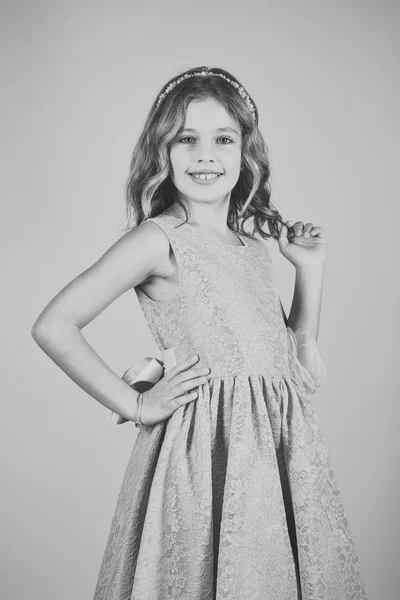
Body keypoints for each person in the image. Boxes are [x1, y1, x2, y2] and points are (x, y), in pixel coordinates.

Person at [31, 66, 369, 600]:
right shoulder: (158, 239)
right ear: (162, 152)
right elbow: (54, 325)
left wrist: (310, 270)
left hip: (274, 456)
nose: (205, 155)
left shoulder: (252, 248)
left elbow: (294, 370)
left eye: (222, 139)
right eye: (187, 139)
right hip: (203, 457)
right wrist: (138, 406)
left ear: (245, 152)